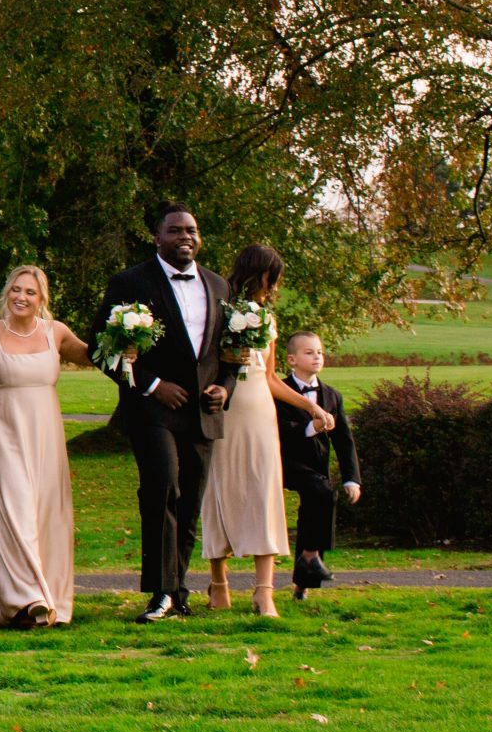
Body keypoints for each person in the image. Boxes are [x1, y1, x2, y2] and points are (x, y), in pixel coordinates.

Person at [102, 204, 230, 622]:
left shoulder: (219, 286)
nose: (185, 237)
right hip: (152, 409)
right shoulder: (129, 283)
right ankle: (159, 592)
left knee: (190, 499)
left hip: (202, 413)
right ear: (157, 238)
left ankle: (178, 589)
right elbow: (102, 351)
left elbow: (230, 354)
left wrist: (223, 390)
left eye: (191, 230)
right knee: (162, 490)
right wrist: (154, 385)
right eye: (175, 231)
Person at [199, 243, 335, 617]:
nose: (273, 285)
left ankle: (264, 591)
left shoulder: (268, 319)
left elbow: (271, 377)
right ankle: (219, 584)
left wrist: (311, 405)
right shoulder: (218, 311)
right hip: (225, 407)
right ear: (258, 274)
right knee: (220, 491)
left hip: (260, 411)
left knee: (264, 492)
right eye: (271, 278)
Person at [0, 265, 88, 629]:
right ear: (7, 292)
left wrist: (128, 337)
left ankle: (51, 599)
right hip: (5, 432)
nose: (21, 297)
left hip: (46, 432)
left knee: (48, 514)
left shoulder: (56, 332)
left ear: (41, 299)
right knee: (14, 511)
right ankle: (26, 598)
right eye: (16, 289)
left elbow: (92, 355)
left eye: (30, 292)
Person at [277, 330, 361, 600]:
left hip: (316, 469)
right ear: (292, 359)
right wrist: (310, 427)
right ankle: (311, 556)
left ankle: (303, 582)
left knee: (315, 506)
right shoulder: (278, 390)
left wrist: (352, 478)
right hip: (284, 463)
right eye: (309, 352)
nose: (317, 357)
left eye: (320, 352)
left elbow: (344, 441)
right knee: (322, 492)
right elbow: (276, 430)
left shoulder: (332, 396)